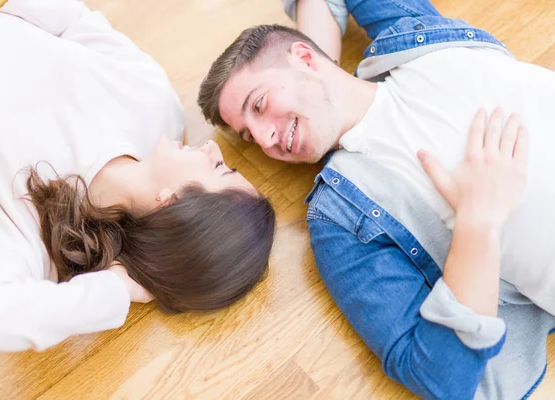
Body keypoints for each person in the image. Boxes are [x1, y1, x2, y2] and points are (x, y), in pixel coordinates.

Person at [197, 0, 555, 398]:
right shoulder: (340, 218)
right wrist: (478, 225)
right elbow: (436, 375)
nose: (265, 140)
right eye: (249, 135)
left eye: (259, 105)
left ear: (302, 57)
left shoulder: (419, 39)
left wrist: (320, 62)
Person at [0, 0, 275, 354]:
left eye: (220, 169)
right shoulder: (156, 107)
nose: (215, 151)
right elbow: (75, 22)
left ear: (171, 201)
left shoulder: (36, 232)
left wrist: (116, 291)